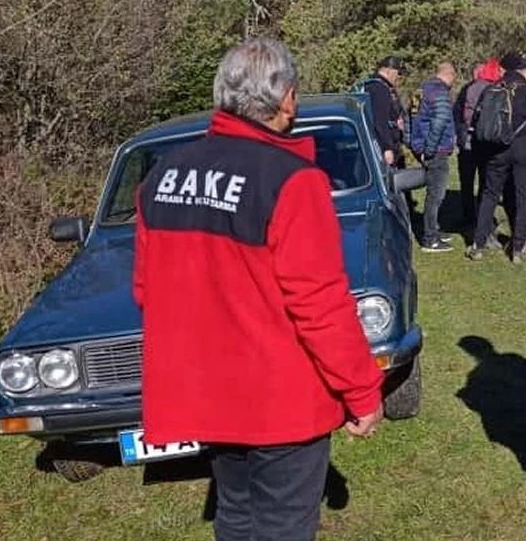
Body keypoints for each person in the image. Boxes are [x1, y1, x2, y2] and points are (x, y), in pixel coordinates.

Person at [134, 39, 384, 541]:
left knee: (236, 512)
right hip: (280, 398)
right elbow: (320, 304)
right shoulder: (293, 180)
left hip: (210, 391)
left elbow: (146, 289)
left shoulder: (163, 175)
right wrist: (361, 390)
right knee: (282, 525)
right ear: (287, 99)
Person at [467, 53, 526, 264]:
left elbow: (477, 120)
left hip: (495, 150)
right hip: (522, 150)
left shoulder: (490, 90)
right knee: (522, 197)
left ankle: (478, 244)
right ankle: (518, 248)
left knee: (489, 195)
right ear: (524, 74)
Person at [410, 62, 458, 252]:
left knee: (433, 193)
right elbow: (439, 124)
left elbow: (409, 118)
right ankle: (430, 238)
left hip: (422, 146)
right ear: (450, 74)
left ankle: (433, 230)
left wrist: (414, 145)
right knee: (436, 195)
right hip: (436, 150)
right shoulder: (440, 94)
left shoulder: (420, 91)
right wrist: (429, 149)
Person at [454, 57, 504, 229]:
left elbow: (457, 113)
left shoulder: (468, 89)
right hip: (482, 143)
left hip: (468, 142)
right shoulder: (496, 89)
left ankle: (471, 216)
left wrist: (460, 132)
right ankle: (481, 218)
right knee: (483, 182)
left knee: (468, 182)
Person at [359, 55, 409, 168]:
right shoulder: (378, 88)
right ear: (388, 70)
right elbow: (380, 120)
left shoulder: (379, 86)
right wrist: (387, 148)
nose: (399, 77)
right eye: (398, 73)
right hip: (383, 149)